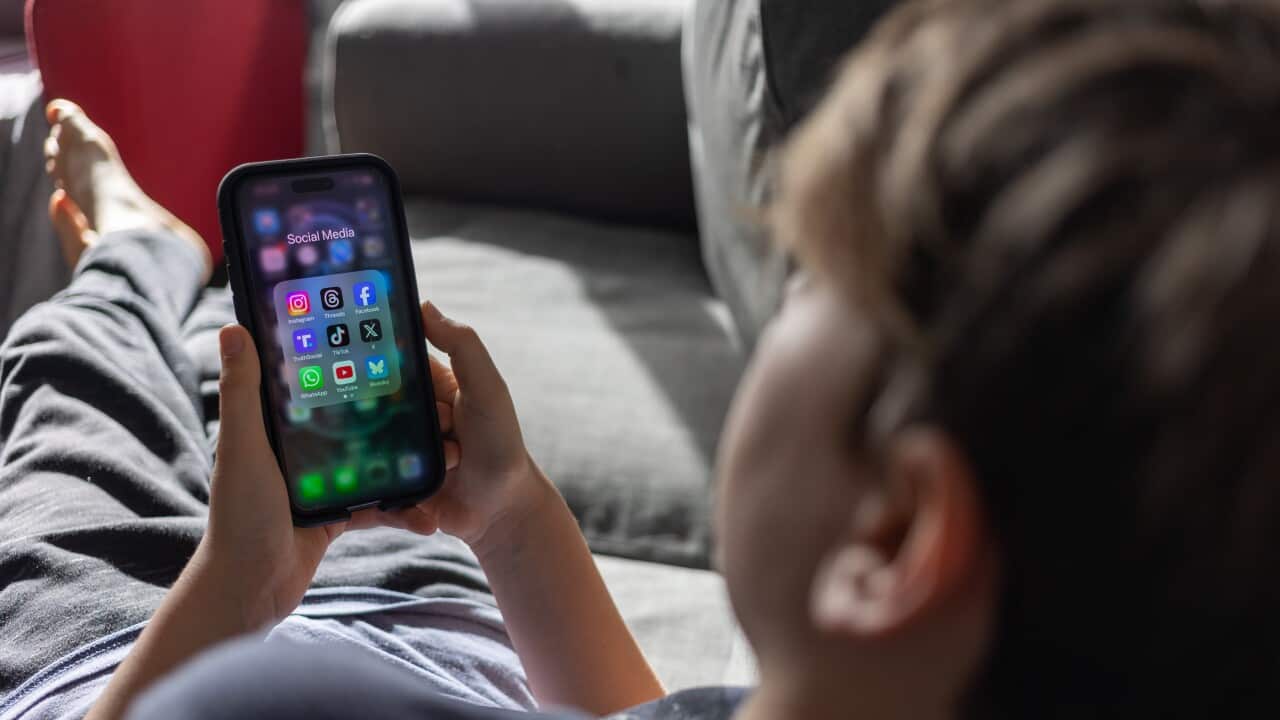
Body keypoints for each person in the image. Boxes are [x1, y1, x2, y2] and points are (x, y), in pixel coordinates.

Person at [5, 0, 1280, 718]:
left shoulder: (270, 708)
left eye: (813, 292)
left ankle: (129, 259)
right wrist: (509, 521)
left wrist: (237, 594)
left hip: (145, 658)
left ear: (893, 534)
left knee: (82, 404)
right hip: (435, 609)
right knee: (299, 421)